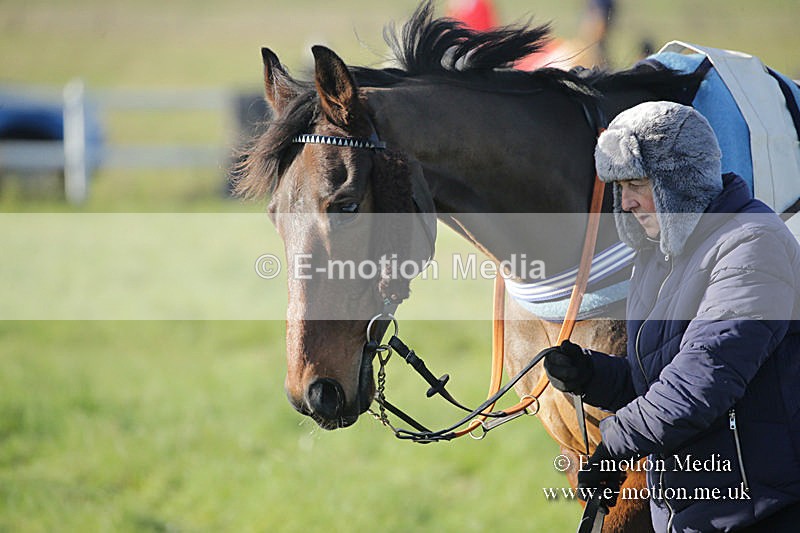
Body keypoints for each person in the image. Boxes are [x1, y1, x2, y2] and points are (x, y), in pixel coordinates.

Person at [543, 101, 800, 531]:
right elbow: (659, 379)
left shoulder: (752, 245)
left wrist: (612, 446)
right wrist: (592, 376)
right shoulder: (661, 254)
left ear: (680, 180)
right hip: (697, 511)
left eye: (636, 183)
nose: (625, 203)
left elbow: (700, 386)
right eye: (618, 186)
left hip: (763, 509)